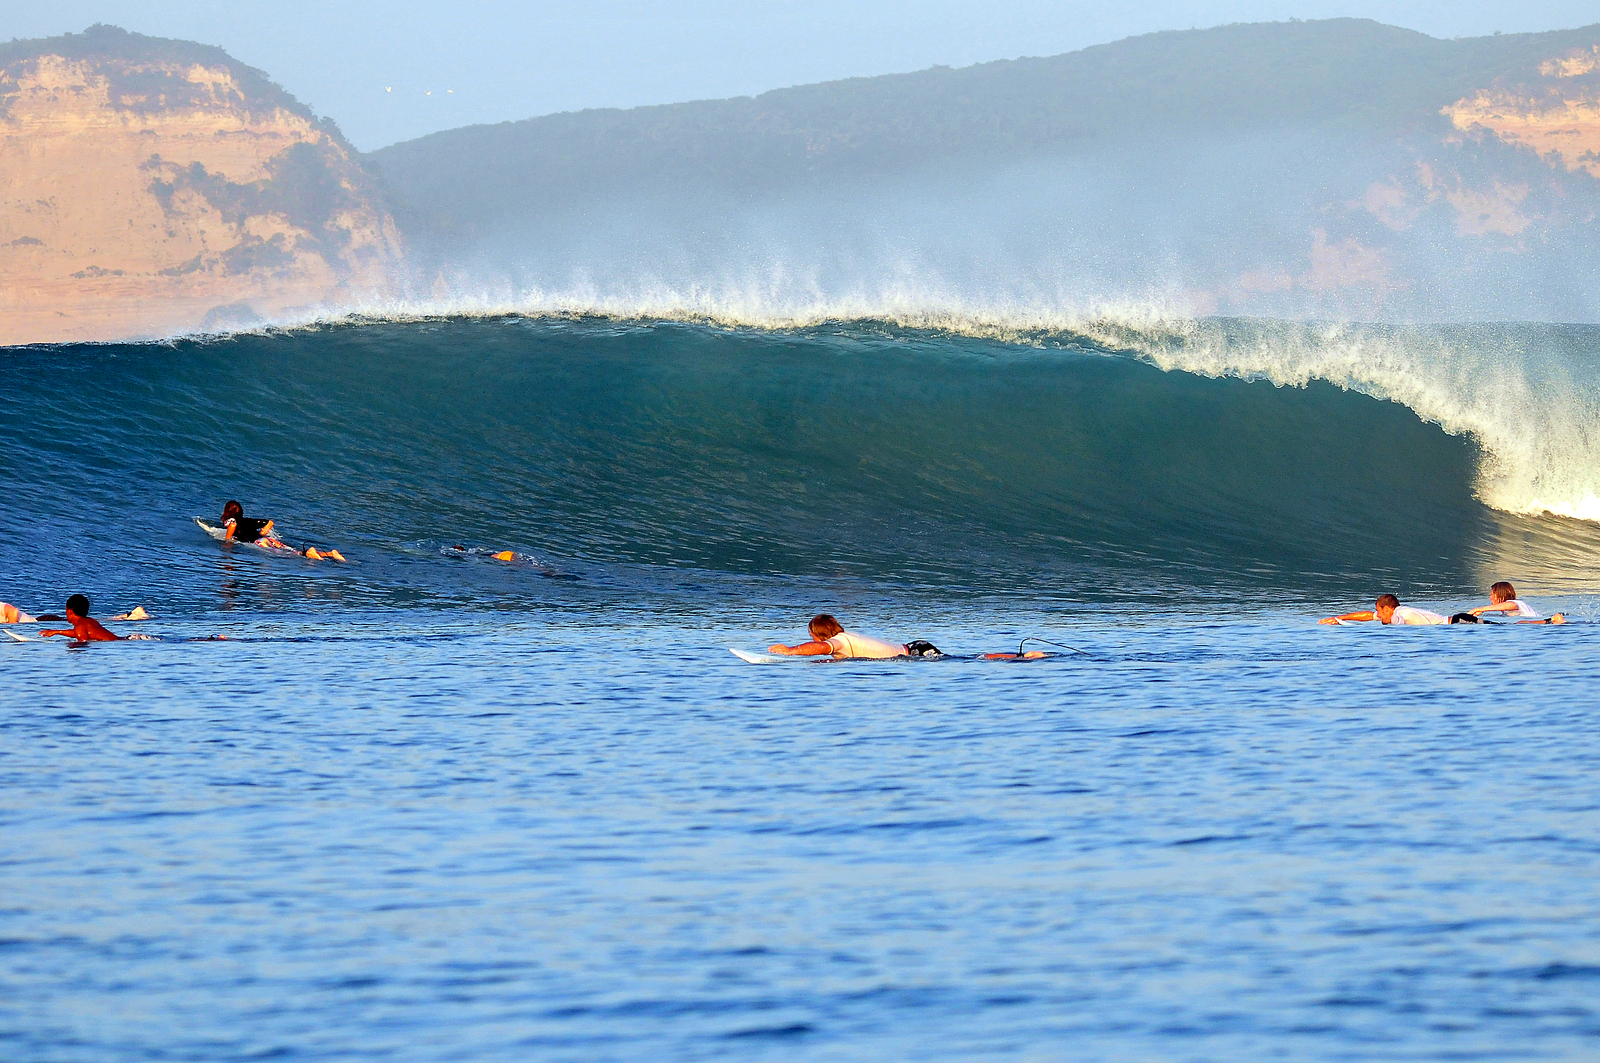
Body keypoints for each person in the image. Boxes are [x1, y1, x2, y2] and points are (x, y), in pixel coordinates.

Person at [221, 500, 345, 562]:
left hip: (259, 543)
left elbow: (229, 540)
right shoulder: (248, 520)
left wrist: (226, 548)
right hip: (266, 540)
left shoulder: (232, 522)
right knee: (293, 551)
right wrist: (262, 533)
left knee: (290, 555)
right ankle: (330, 554)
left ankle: (309, 553)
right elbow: (269, 522)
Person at [768, 614, 930, 658]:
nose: (812, 640)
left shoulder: (839, 641)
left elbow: (821, 648)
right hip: (916, 647)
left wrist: (790, 651)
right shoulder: (845, 638)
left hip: (918, 653)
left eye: (812, 636)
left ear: (819, 634)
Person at [1320, 593, 1471, 625]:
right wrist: (1340, 618)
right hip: (1458, 621)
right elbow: (1368, 616)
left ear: (1387, 609)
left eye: (1379, 611)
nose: (1378, 615)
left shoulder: (1398, 615)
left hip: (1459, 623)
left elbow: (1397, 624)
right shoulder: (1398, 611)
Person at [1469, 581, 1566, 624]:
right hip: (1540, 622)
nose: (1490, 598)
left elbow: (1512, 605)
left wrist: (1480, 609)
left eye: (1492, 595)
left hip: (1544, 623)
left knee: (1520, 623)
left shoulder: (1513, 603)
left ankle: (1553, 619)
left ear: (1500, 595)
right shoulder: (1506, 609)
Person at [39, 594, 122, 642]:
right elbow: (78, 632)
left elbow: (83, 643)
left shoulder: (80, 626)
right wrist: (56, 632)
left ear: (70, 611)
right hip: (120, 639)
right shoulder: (90, 621)